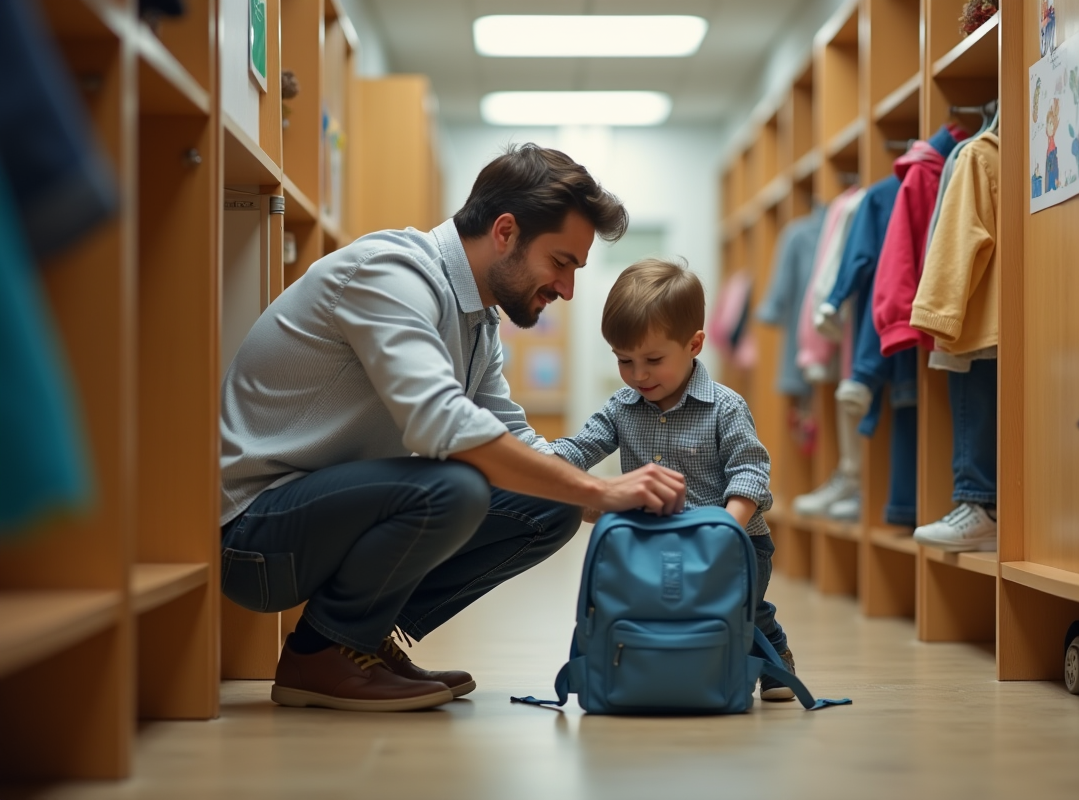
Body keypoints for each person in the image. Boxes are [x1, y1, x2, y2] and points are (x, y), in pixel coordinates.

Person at [219, 144, 688, 713]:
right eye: (561, 263)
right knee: (457, 485)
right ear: (506, 232)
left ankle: (360, 638)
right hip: (254, 538)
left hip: (320, 521)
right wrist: (599, 488)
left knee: (551, 506)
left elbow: (514, 439)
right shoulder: (392, 273)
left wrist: (606, 505)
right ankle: (320, 652)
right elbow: (439, 422)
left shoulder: (477, 322)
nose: (566, 289)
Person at [548, 259, 798, 701]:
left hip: (736, 540)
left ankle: (774, 657)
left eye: (653, 360)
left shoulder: (726, 408)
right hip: (651, 540)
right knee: (659, 609)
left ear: (694, 344)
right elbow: (580, 447)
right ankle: (657, 664)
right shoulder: (621, 407)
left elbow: (750, 472)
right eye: (624, 360)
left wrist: (726, 530)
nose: (638, 374)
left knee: (744, 608)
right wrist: (534, 462)